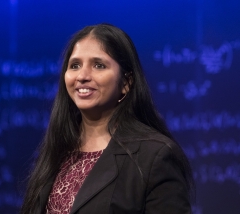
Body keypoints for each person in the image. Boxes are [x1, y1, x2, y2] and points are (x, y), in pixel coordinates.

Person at [20, 23, 194, 214]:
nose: (83, 76)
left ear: (126, 83)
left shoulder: (155, 157)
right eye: (75, 65)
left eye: (98, 65)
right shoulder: (58, 150)